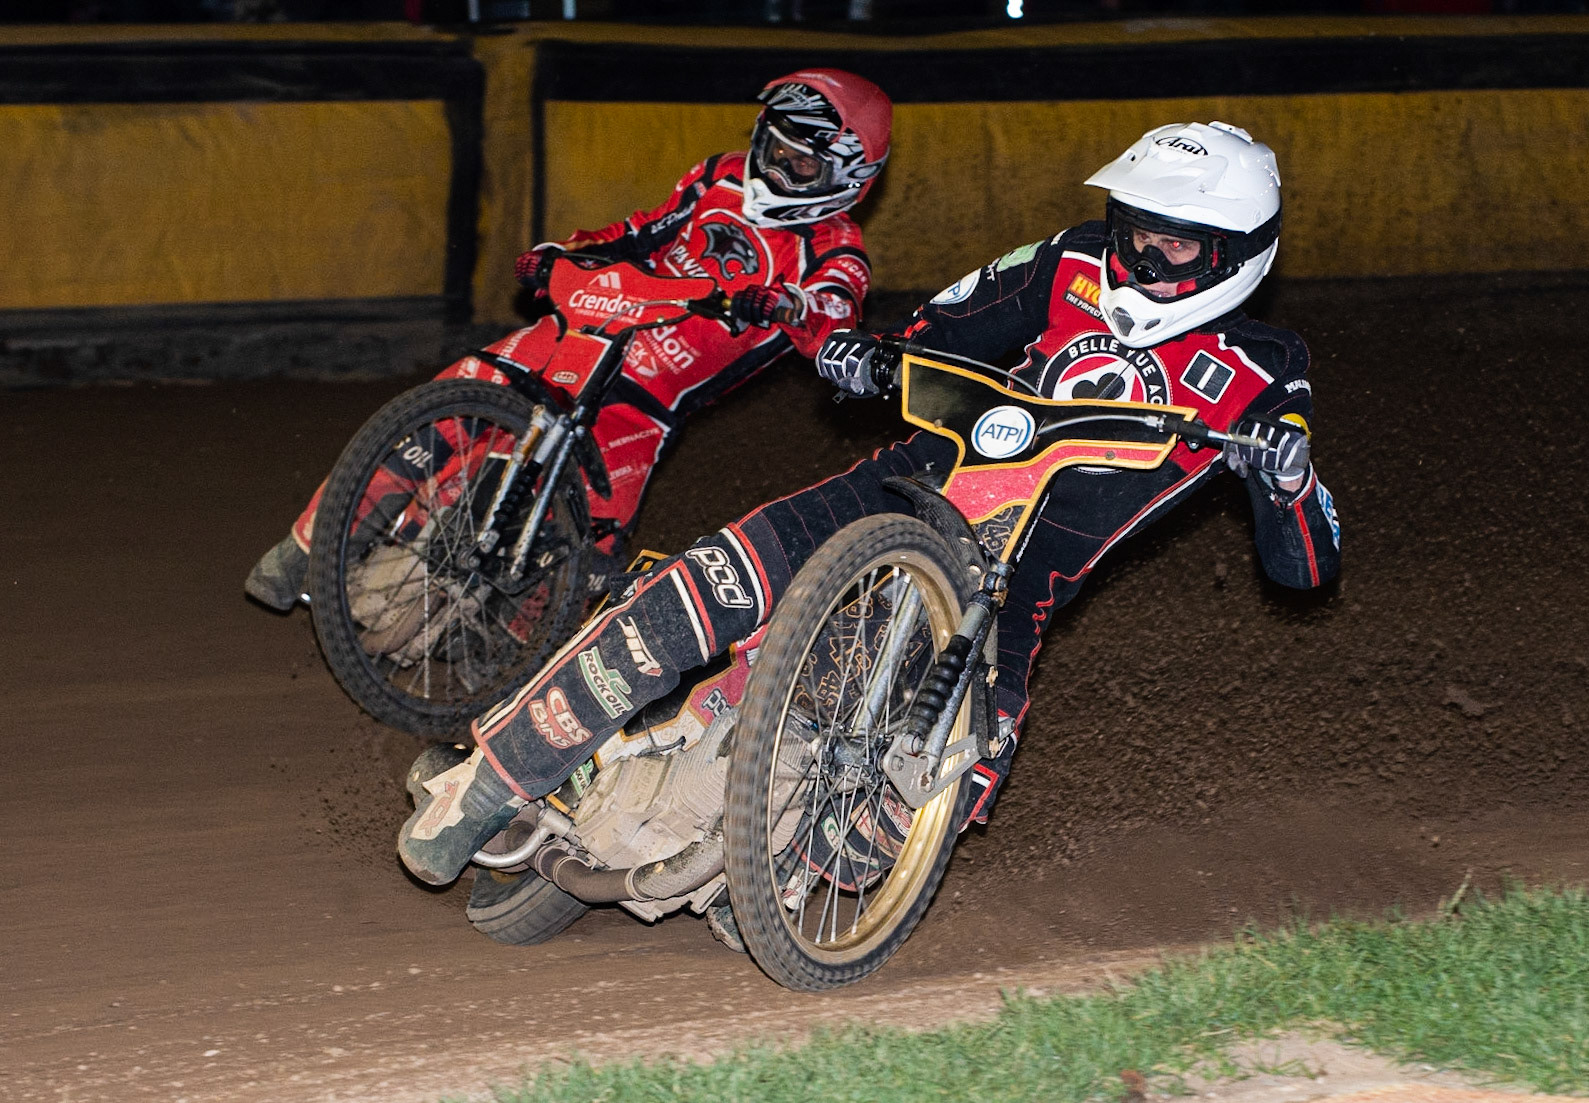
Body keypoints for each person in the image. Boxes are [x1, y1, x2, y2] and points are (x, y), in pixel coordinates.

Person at [397, 120, 1342, 892]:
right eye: (1132, 224)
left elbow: (1307, 566)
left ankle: (759, 856)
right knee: (707, 584)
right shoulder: (1069, 263)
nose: (1139, 250)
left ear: (1231, 256)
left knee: (903, 824)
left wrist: (1285, 474)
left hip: (1016, 586)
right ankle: (490, 781)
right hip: (907, 482)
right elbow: (945, 324)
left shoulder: (1268, 370)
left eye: (1169, 240)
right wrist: (876, 353)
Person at [244, 67, 892, 610]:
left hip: (647, 399)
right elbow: (644, 229)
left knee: (584, 565)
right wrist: (565, 251)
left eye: (798, 162)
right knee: (453, 400)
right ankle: (307, 548)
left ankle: (513, 707)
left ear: (847, 174)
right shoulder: (716, 177)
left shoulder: (837, 252)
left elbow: (832, 315)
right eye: (772, 146)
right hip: (590, 325)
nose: (775, 167)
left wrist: (788, 305)